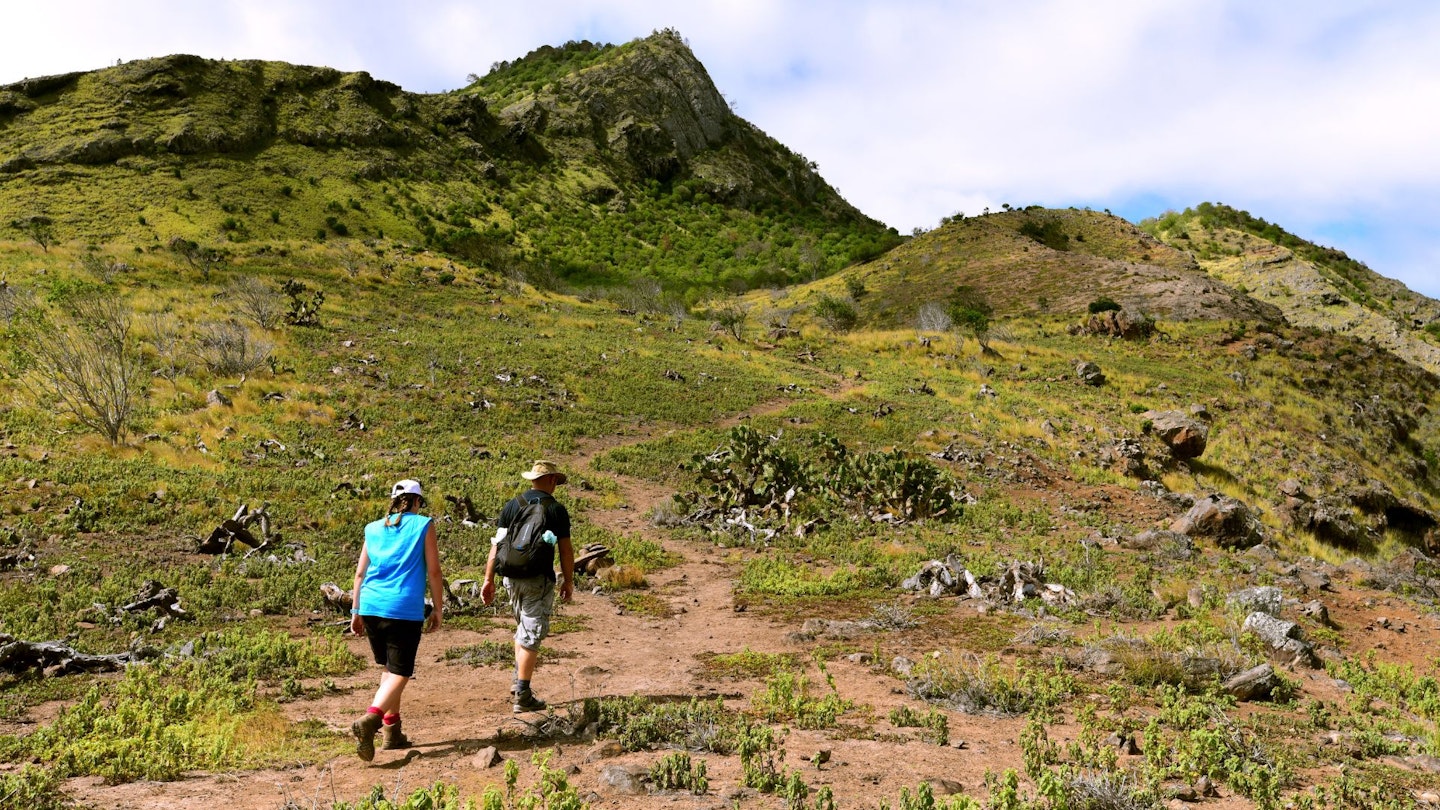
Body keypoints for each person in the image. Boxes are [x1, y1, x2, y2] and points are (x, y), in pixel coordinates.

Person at [349, 479, 443, 761]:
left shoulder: (373, 528)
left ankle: (392, 731)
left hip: (370, 605)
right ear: (417, 501)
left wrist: (355, 611)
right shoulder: (424, 525)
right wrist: (438, 608)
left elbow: (359, 574)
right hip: (402, 608)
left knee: (389, 669)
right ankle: (371, 719)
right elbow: (434, 571)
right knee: (401, 673)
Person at [482, 460, 575, 712]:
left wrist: (488, 579)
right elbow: (565, 550)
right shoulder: (556, 509)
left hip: (510, 577)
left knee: (522, 628)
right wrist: (569, 579)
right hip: (538, 579)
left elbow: (497, 544)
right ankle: (522, 694)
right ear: (552, 480)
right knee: (531, 633)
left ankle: (517, 682)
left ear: (532, 479)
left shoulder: (513, 505)